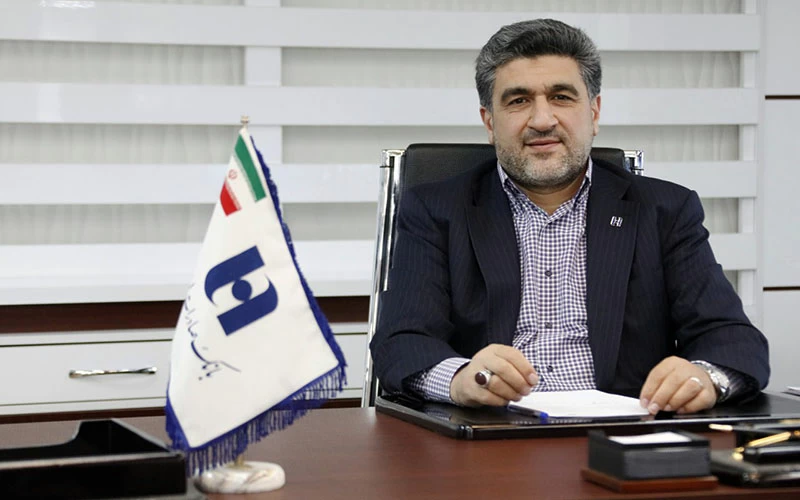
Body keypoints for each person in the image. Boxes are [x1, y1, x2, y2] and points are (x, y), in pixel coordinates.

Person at [369, 18, 769, 415]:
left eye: (561, 97)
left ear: (594, 112)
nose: (542, 120)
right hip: (490, 433)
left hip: (620, 434)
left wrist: (706, 378)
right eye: (518, 100)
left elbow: (734, 340)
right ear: (490, 122)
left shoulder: (665, 211)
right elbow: (401, 342)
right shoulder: (436, 210)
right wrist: (461, 380)